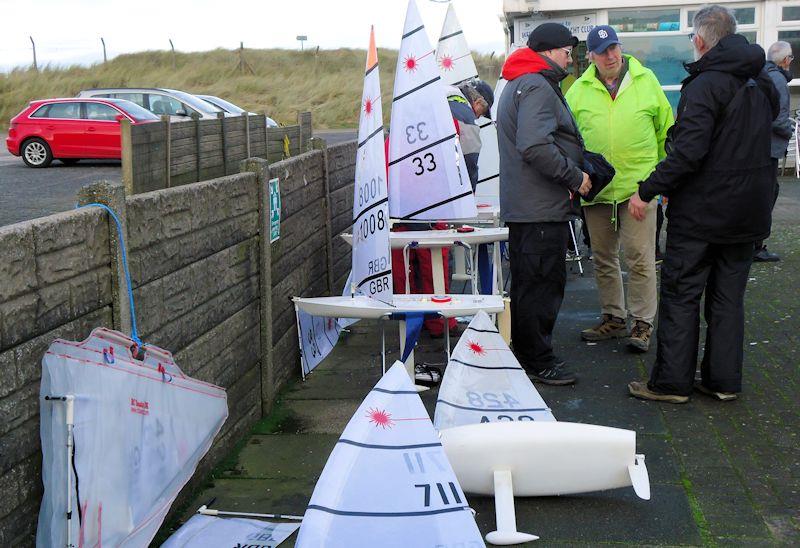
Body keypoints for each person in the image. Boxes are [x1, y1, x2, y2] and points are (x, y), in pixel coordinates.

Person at [627, 5, 778, 403]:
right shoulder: (761, 83)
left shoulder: (705, 85)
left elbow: (688, 152)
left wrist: (646, 189)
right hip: (749, 211)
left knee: (682, 294)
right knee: (729, 298)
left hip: (702, 213)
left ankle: (671, 384)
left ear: (699, 41)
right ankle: (723, 381)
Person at [565, 25, 674, 353]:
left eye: (613, 48)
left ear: (620, 47)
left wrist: (662, 182)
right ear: (591, 56)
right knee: (603, 258)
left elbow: (666, 131)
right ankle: (614, 317)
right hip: (596, 190)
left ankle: (642, 322)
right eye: (602, 51)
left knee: (640, 258)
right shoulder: (578, 90)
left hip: (637, 190)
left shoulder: (647, 80)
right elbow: (568, 139)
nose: (610, 56)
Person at [497, 22, 592, 386]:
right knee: (540, 286)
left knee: (528, 285)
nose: (571, 56)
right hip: (539, 208)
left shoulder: (521, 82)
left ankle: (527, 354)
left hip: (529, 206)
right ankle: (537, 360)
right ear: (549, 51)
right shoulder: (536, 85)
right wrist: (575, 176)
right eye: (567, 50)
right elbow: (535, 146)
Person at [753, 40, 794, 262]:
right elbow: (777, 119)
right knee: (767, 195)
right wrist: (788, 129)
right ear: (786, 60)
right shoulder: (777, 79)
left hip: (758, 146)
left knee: (763, 193)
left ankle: (753, 243)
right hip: (769, 147)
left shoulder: (762, 75)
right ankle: (756, 246)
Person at [447, 79, 494, 191]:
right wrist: (469, 199)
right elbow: (470, 162)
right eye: (481, 113)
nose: (477, 117)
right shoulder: (467, 117)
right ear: (477, 102)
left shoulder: (441, 93)